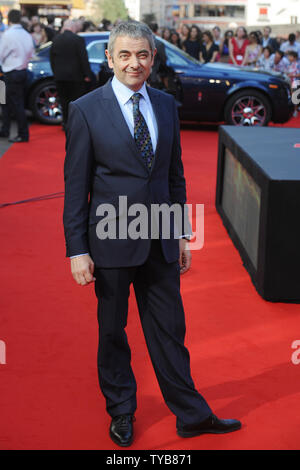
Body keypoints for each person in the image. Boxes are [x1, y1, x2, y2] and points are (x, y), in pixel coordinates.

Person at [63, 20, 241, 448]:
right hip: (109, 238)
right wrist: (76, 250)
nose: (134, 63)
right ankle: (122, 411)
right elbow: (75, 187)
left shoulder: (164, 104)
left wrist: (181, 233)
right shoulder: (86, 109)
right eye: (124, 54)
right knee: (113, 331)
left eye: (142, 54)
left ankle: (192, 415)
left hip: (160, 235)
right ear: (109, 59)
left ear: (153, 58)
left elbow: (174, 176)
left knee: (170, 330)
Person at [50, 19, 92, 129]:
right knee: (76, 101)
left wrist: (56, 73)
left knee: (64, 101)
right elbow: (83, 58)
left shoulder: (56, 39)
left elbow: (52, 59)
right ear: (73, 28)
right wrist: (87, 74)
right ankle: (75, 124)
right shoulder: (78, 39)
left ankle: (65, 123)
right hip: (76, 77)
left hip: (60, 77)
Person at [0, 9, 34, 143]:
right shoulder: (26, 34)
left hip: (11, 72)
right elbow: (31, 53)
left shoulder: (8, 35)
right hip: (22, 71)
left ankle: (22, 134)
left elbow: (1, 53)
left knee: (14, 104)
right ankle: (6, 129)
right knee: (11, 103)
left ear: (8, 19)